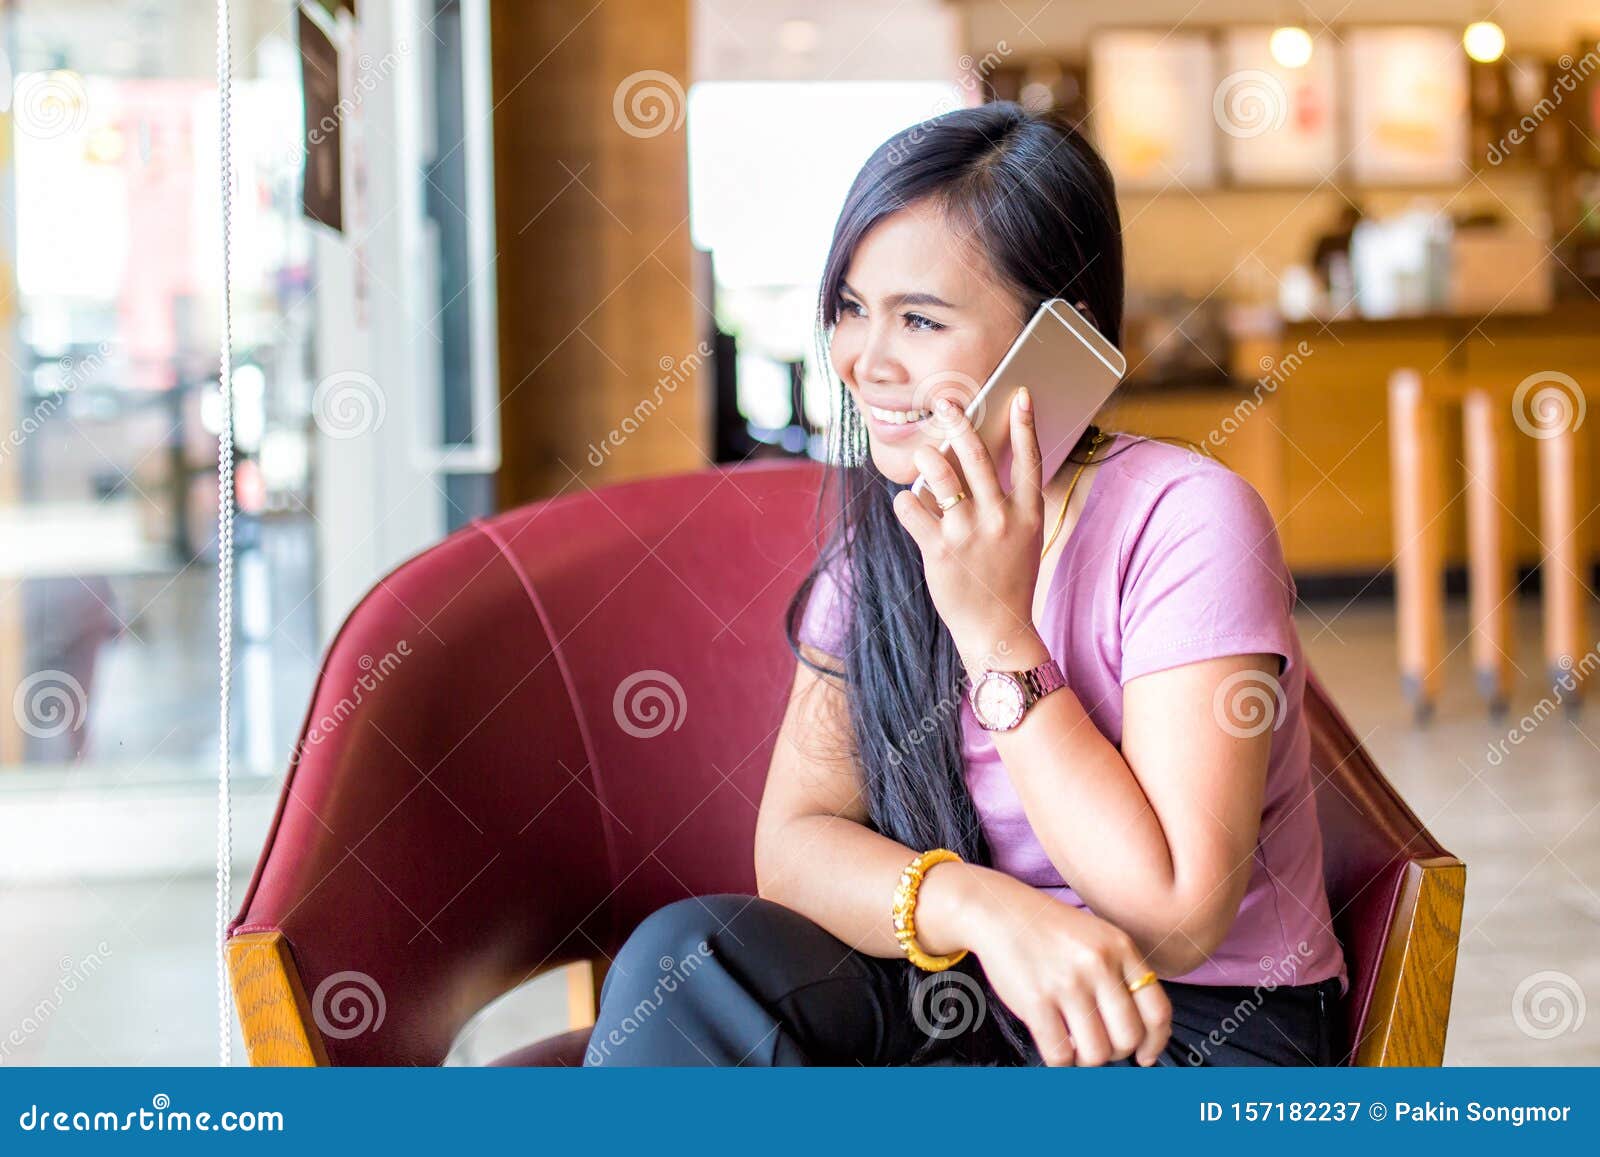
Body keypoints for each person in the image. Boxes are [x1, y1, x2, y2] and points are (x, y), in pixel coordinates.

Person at [583, 99, 1349, 1068]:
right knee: (684, 962)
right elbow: (794, 841)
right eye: (853, 308)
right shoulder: (890, 533)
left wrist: (997, 636)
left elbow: (1175, 911)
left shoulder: (1188, 521)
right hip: (981, 988)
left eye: (919, 318)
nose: (867, 359)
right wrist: (982, 910)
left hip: (1190, 1027)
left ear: (1058, 343)